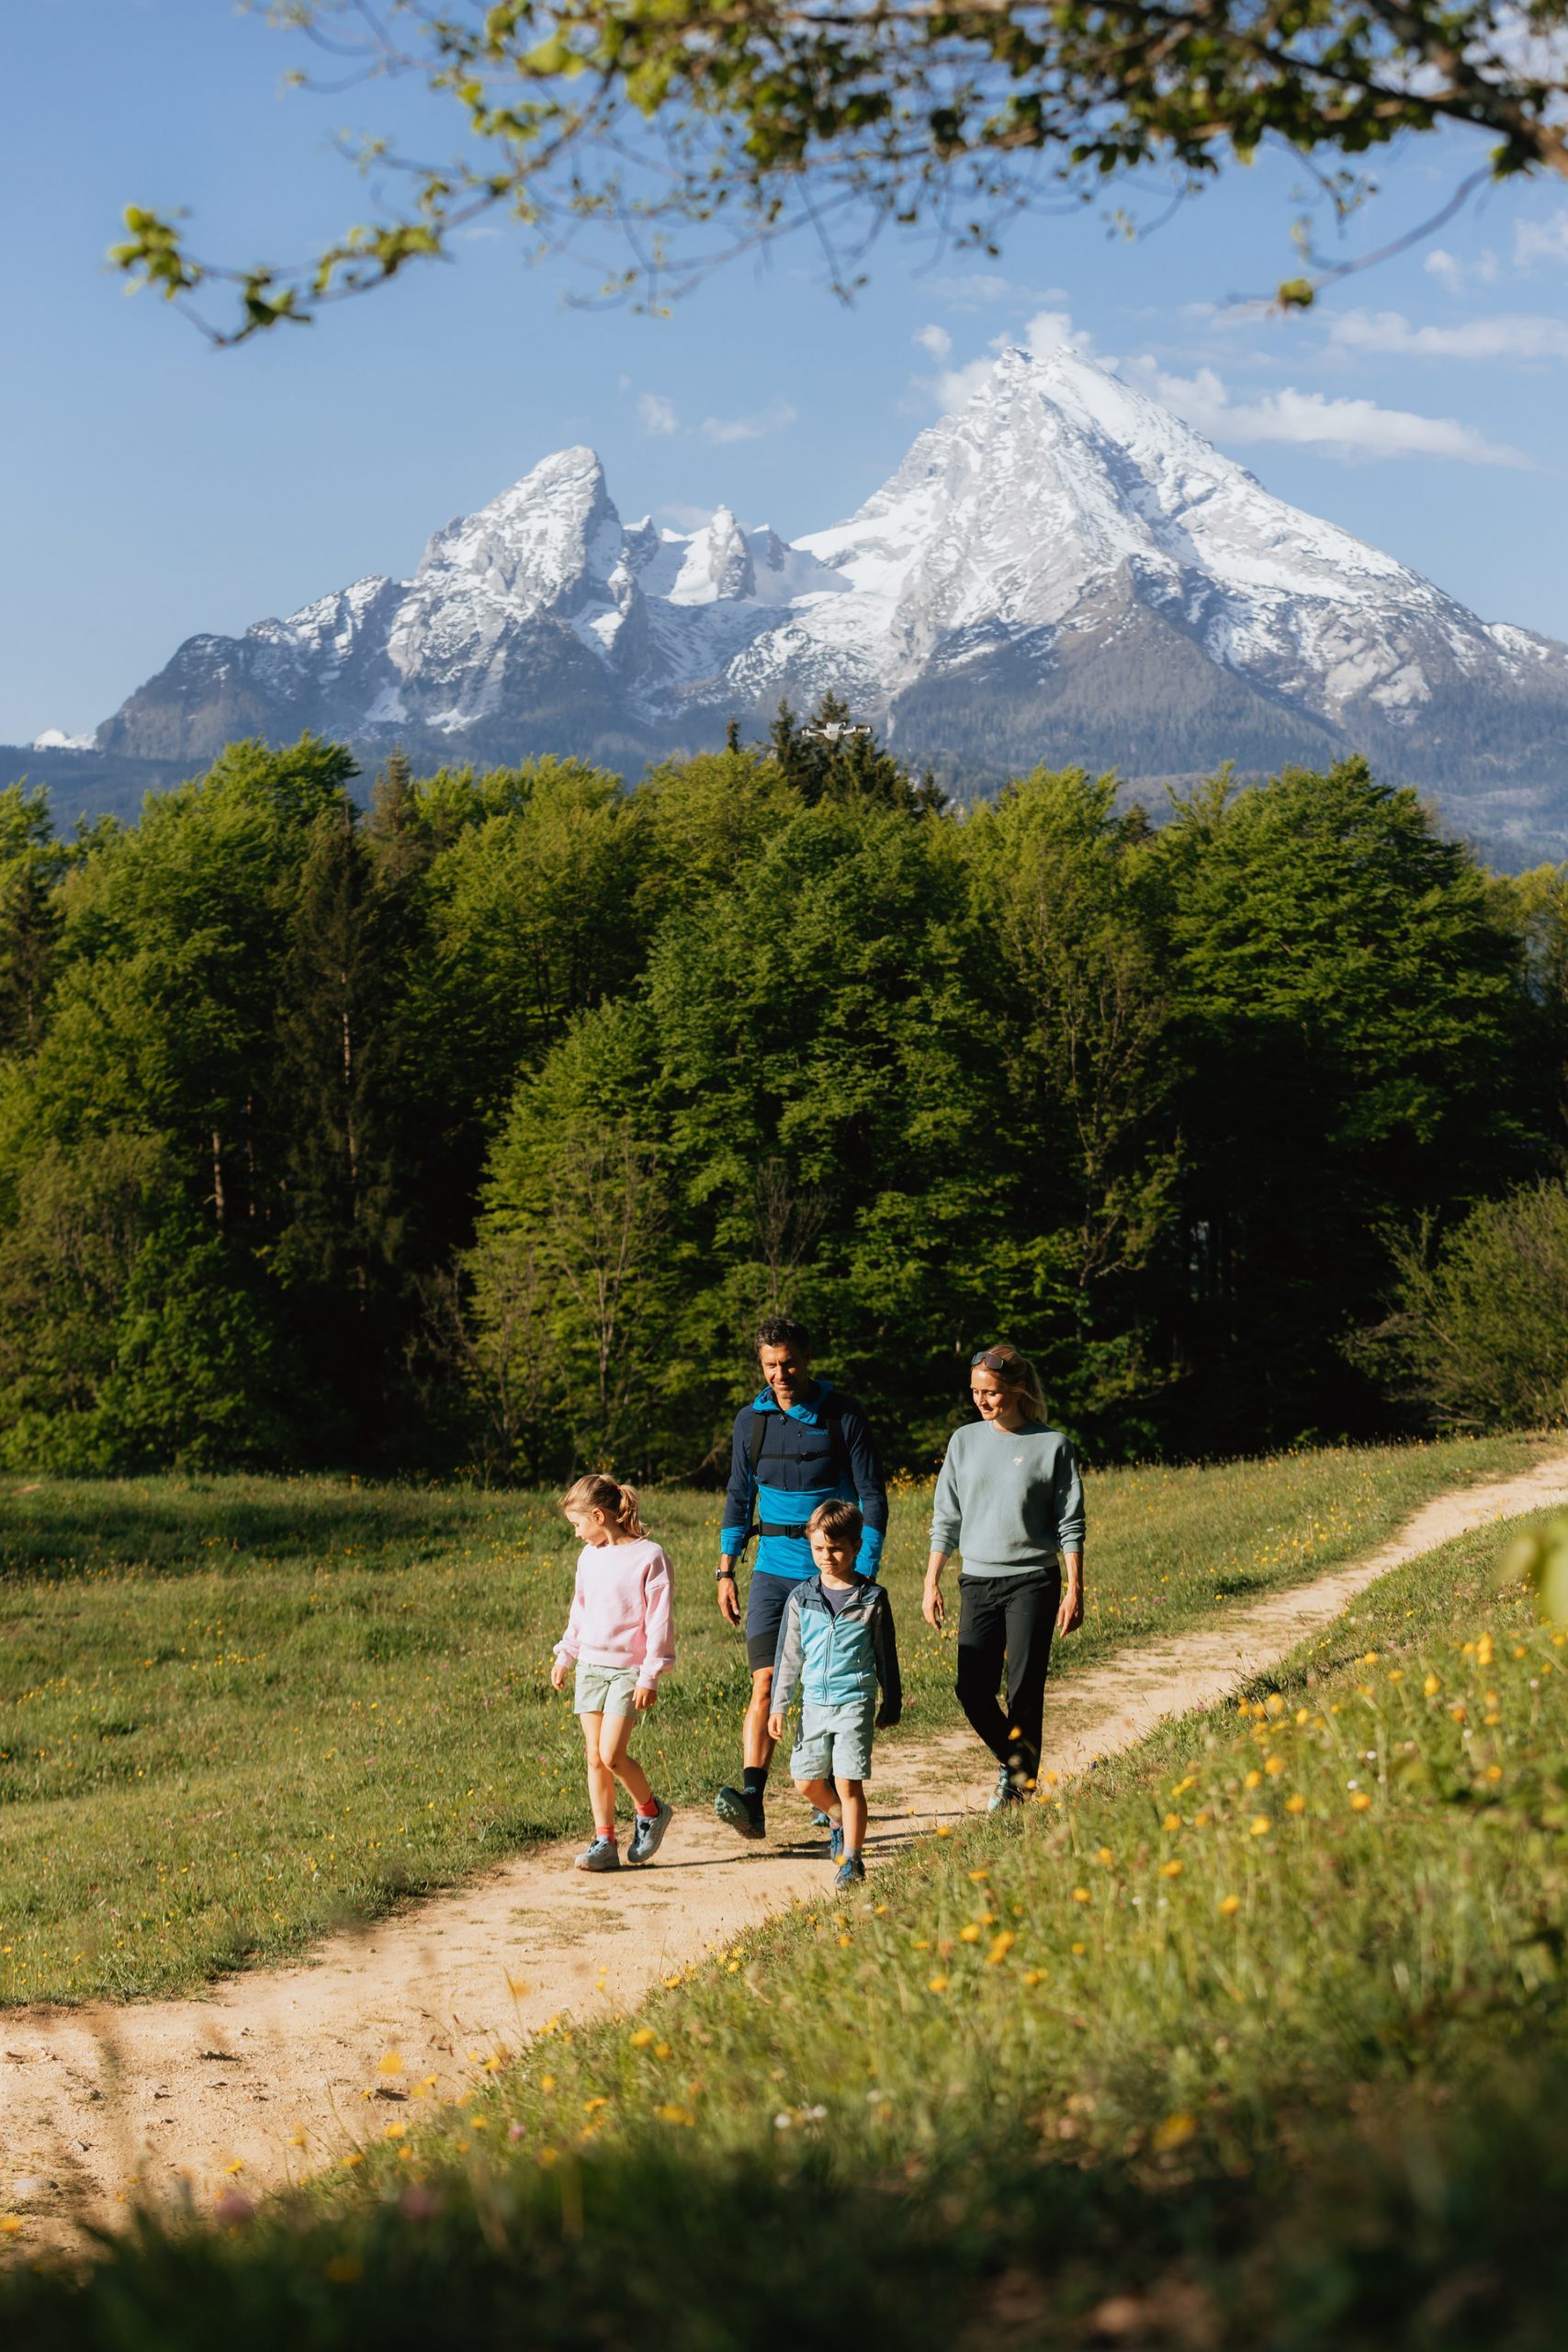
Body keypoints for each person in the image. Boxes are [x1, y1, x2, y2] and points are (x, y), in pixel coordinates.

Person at [713, 1315, 888, 1841]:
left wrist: (864, 1570)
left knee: (825, 1689)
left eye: (788, 1362)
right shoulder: (752, 1420)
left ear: (806, 1358)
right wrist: (727, 1567)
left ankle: (833, 1805)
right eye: (770, 1365)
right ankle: (752, 1798)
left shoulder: (842, 1414)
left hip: (832, 1576)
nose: (780, 1374)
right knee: (764, 1681)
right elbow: (739, 1498)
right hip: (771, 1571)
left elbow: (872, 1495)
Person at [923, 1343, 1085, 1809]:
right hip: (976, 1579)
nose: (981, 1401)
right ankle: (1016, 1765)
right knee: (971, 1690)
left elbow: (1070, 1524)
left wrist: (1075, 1590)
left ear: (1015, 1389)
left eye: (990, 1392)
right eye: (975, 1391)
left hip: (1033, 1579)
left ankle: (1018, 1789)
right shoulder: (963, 1441)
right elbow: (945, 1517)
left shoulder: (1052, 1445)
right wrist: (932, 1579)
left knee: (1023, 1689)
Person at [768, 1499, 901, 1888]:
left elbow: (885, 1655)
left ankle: (853, 1861)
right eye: (819, 1549)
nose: (827, 1557)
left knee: (847, 1781)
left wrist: (891, 1701)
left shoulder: (872, 1599)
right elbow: (789, 1656)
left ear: (857, 1547)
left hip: (855, 1702)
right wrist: (779, 1705)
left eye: (837, 1548)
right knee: (805, 1780)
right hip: (813, 1705)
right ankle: (839, 1818)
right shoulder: (801, 1598)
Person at [550, 1474, 675, 1872]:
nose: (576, 1534)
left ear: (599, 1516)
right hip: (590, 1666)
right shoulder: (589, 1558)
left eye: (577, 1525)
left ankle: (651, 1812)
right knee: (593, 1757)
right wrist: (565, 1655)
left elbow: (659, 1621)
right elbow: (580, 1611)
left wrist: (649, 1675)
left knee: (612, 1755)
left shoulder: (649, 1556)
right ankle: (604, 1841)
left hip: (627, 1672)